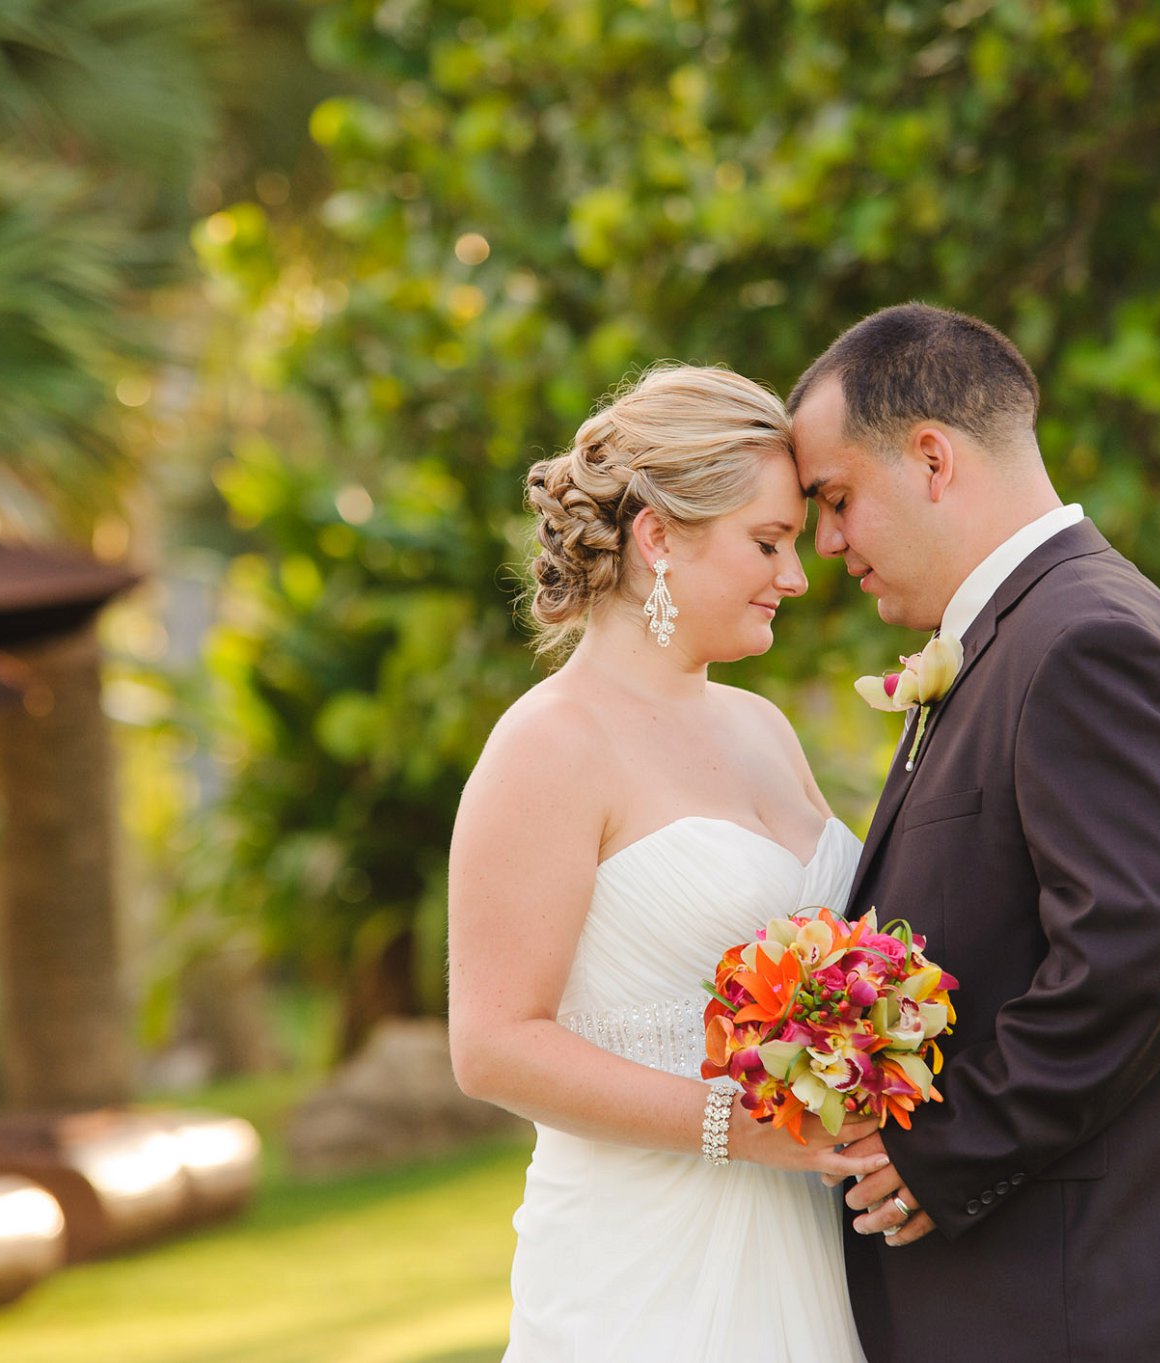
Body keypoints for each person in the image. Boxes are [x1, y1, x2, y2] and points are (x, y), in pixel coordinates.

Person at [788, 303, 1160, 1363]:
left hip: (1099, 1288)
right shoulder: (1021, 635)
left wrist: (947, 1150)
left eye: (834, 499)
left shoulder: (1083, 639)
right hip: (1064, 1282)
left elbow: (1141, 939)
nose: (825, 542)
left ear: (929, 458)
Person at [448, 363, 880, 1362]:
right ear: (656, 539)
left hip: (806, 1239)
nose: (795, 574)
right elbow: (493, 1044)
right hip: (645, 1270)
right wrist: (737, 1124)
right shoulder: (549, 744)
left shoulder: (762, 726)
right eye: (766, 542)